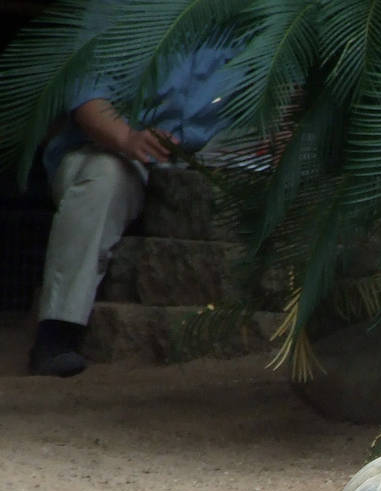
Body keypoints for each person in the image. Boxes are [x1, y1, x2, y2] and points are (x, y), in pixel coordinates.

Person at [29, 33, 245, 377]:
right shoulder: (119, 11)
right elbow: (88, 97)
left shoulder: (251, 17)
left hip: (208, 161)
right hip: (112, 149)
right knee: (104, 177)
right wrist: (128, 138)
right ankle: (57, 333)